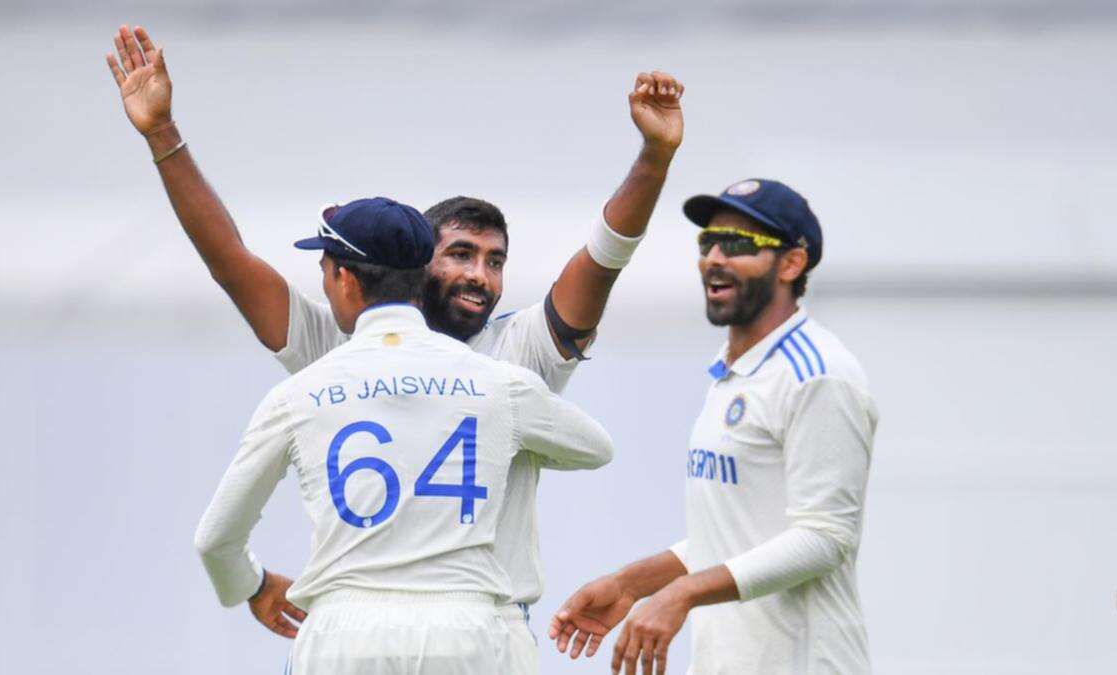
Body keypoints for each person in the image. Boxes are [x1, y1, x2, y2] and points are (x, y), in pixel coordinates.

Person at [105, 24, 683, 673]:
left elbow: (604, 260)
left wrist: (653, 160)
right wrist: (164, 136)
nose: (480, 276)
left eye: (496, 261)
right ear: (414, 258)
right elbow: (228, 261)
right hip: (472, 634)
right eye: (461, 254)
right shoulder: (350, 339)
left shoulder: (515, 345)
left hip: (382, 626)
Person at [194, 197, 614, 674]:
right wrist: (515, 442)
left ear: (345, 279)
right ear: (421, 276)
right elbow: (596, 447)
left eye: (325, 271)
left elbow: (215, 538)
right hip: (469, 630)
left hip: (342, 633)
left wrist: (249, 584)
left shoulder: (298, 393)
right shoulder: (497, 381)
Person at [549, 179, 879, 674]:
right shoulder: (733, 371)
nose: (715, 258)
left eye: (741, 245)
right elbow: (733, 535)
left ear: (791, 263)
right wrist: (631, 584)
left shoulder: (820, 374)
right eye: (708, 242)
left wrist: (682, 594)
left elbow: (825, 539)